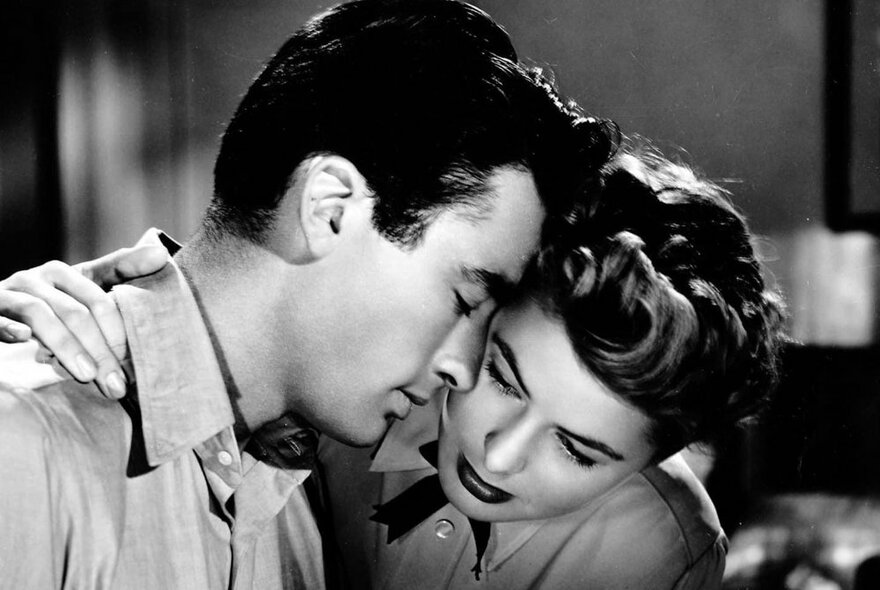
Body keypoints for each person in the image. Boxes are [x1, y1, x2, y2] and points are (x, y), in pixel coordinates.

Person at [0, 0, 616, 587]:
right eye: (464, 299)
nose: (464, 367)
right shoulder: (25, 446)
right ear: (330, 209)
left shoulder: (300, 499)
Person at [1, 148, 786, 589]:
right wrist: (83, 304)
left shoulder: (661, 551)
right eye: (504, 377)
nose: (499, 454)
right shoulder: (360, 394)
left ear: (652, 460)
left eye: (579, 450)